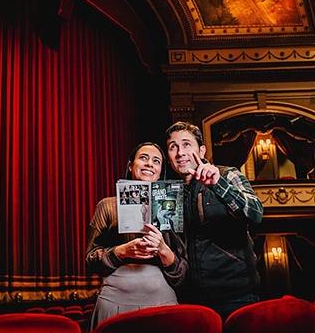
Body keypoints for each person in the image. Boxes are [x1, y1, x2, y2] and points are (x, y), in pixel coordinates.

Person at [165, 121, 263, 319]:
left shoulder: (227, 174)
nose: (179, 152)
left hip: (236, 297)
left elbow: (255, 213)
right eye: (172, 147)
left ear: (202, 151)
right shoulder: (169, 194)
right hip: (190, 299)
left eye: (186, 144)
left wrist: (219, 185)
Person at [85, 142, 188, 329]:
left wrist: (163, 250)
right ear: (131, 165)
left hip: (162, 301)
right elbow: (90, 260)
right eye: (143, 158)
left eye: (156, 161)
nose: (150, 164)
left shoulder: (173, 208)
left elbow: (183, 270)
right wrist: (122, 251)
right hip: (114, 301)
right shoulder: (107, 206)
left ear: (160, 172)